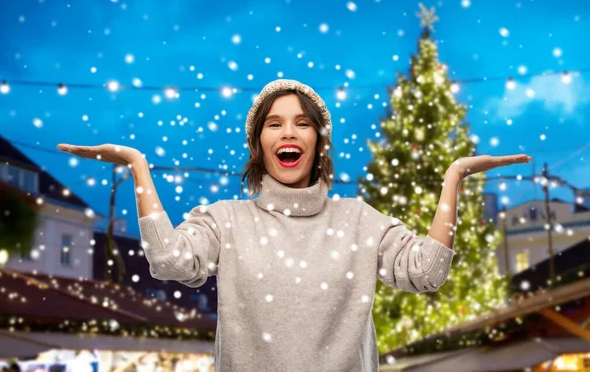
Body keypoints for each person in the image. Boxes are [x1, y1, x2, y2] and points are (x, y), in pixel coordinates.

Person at [57, 79, 532, 371]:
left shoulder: (358, 220)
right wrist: (138, 167)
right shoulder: (227, 221)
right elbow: (167, 260)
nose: (288, 132)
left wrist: (454, 178)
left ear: (318, 142)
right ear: (258, 142)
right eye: (274, 123)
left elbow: (427, 272)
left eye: (302, 123)